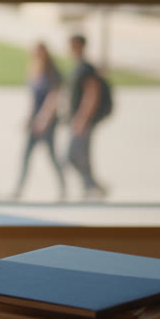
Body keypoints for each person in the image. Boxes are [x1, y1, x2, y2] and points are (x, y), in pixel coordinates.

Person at [12, 41, 65, 200]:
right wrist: (29, 119)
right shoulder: (33, 70)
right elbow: (33, 100)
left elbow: (53, 98)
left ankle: (63, 187)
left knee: (51, 156)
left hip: (47, 121)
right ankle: (19, 188)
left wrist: (43, 119)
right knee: (26, 155)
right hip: (35, 119)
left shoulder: (52, 72)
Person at [64, 33, 109, 199]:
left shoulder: (86, 68)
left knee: (73, 155)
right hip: (77, 119)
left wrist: (82, 118)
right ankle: (91, 187)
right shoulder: (78, 66)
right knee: (80, 155)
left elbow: (92, 94)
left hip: (83, 120)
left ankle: (92, 186)